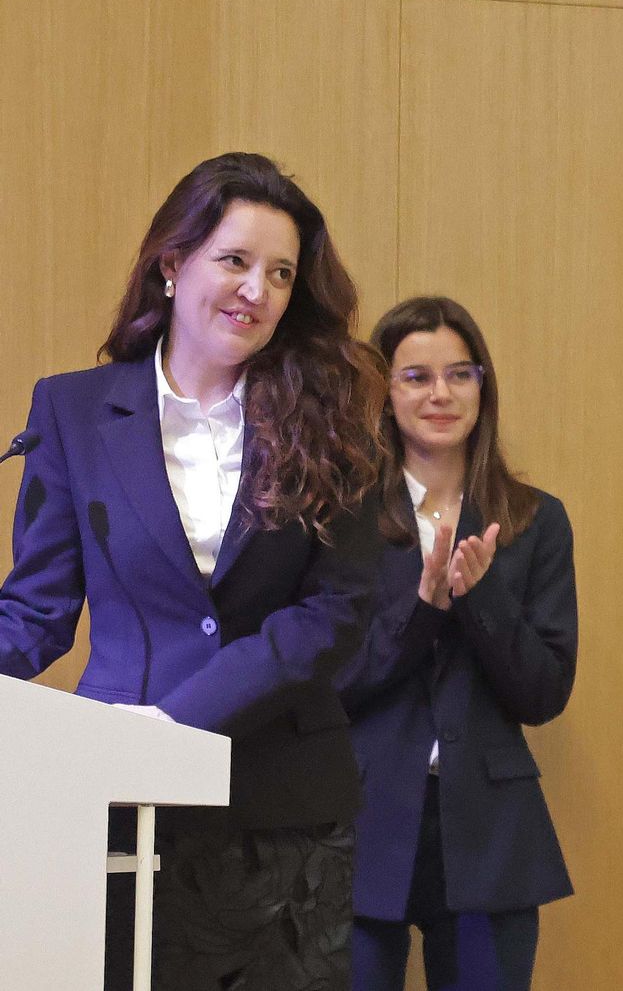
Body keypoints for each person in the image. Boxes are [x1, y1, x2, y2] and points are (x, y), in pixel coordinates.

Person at [0, 151, 387, 989]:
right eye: (235, 260)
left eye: (281, 273)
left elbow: (335, 610)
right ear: (172, 263)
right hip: (115, 803)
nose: (257, 290)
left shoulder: (337, 417)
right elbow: (34, 613)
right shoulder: (72, 410)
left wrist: (174, 725)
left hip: (284, 812)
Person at [338, 297, 576, 990]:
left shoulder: (535, 520)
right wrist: (423, 610)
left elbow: (544, 693)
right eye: (416, 377)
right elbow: (327, 682)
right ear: (385, 396)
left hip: (489, 829)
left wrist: (481, 596)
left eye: (459, 374)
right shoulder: (344, 515)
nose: (440, 394)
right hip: (363, 819)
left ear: (483, 387)